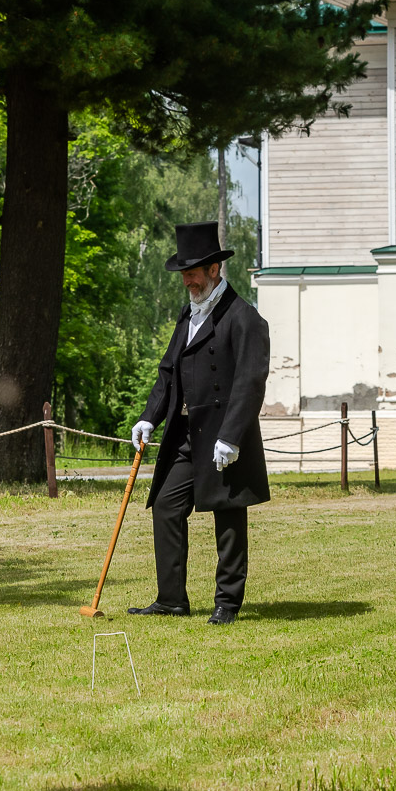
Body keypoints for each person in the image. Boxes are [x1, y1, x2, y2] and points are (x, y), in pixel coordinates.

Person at [128, 222, 270, 625]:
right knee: (166, 508)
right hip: (186, 435)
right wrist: (148, 417)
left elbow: (249, 383)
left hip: (224, 438)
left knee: (228, 517)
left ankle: (227, 602)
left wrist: (231, 436)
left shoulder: (244, 319)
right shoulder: (187, 314)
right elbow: (168, 373)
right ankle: (171, 599)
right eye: (183, 272)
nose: (188, 279)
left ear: (214, 270)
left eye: (194, 271)